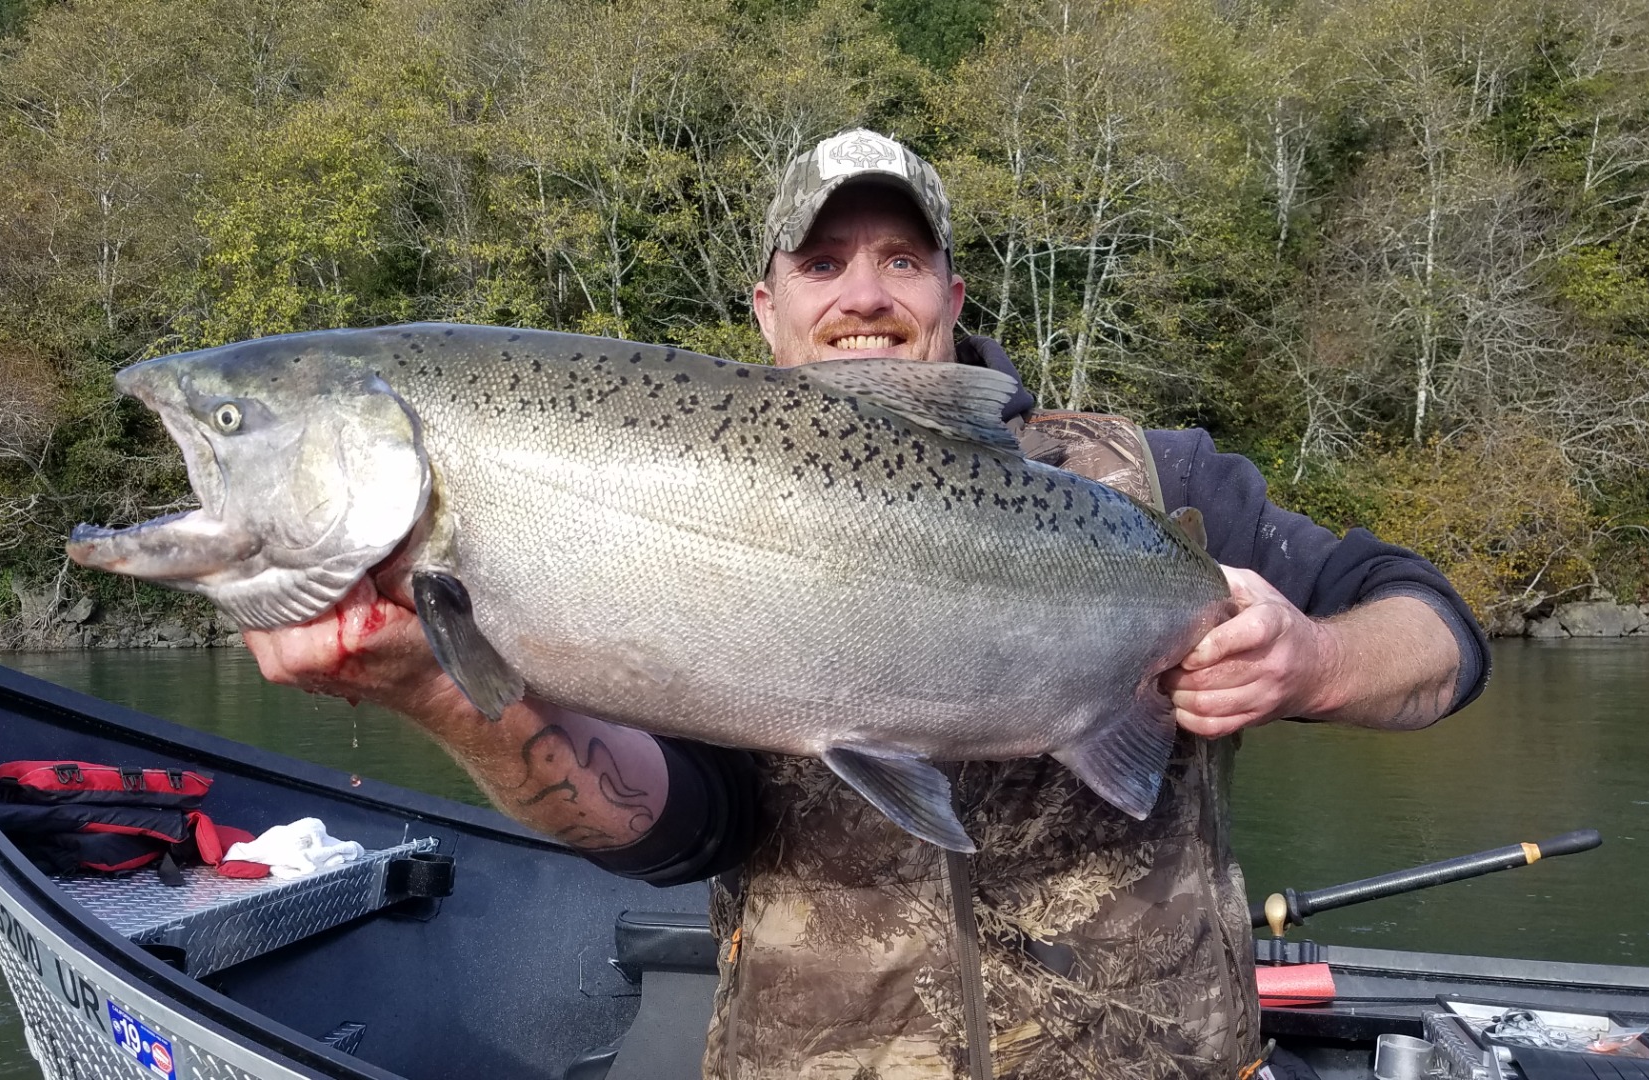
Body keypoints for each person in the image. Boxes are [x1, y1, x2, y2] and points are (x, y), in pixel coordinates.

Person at [244, 129, 1489, 1079]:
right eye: (824, 262)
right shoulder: (669, 510)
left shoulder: (1163, 490)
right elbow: (674, 828)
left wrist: (1314, 659)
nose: (865, 295)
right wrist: (435, 688)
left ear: (952, 295)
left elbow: (1435, 636)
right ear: (766, 310)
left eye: (902, 259)